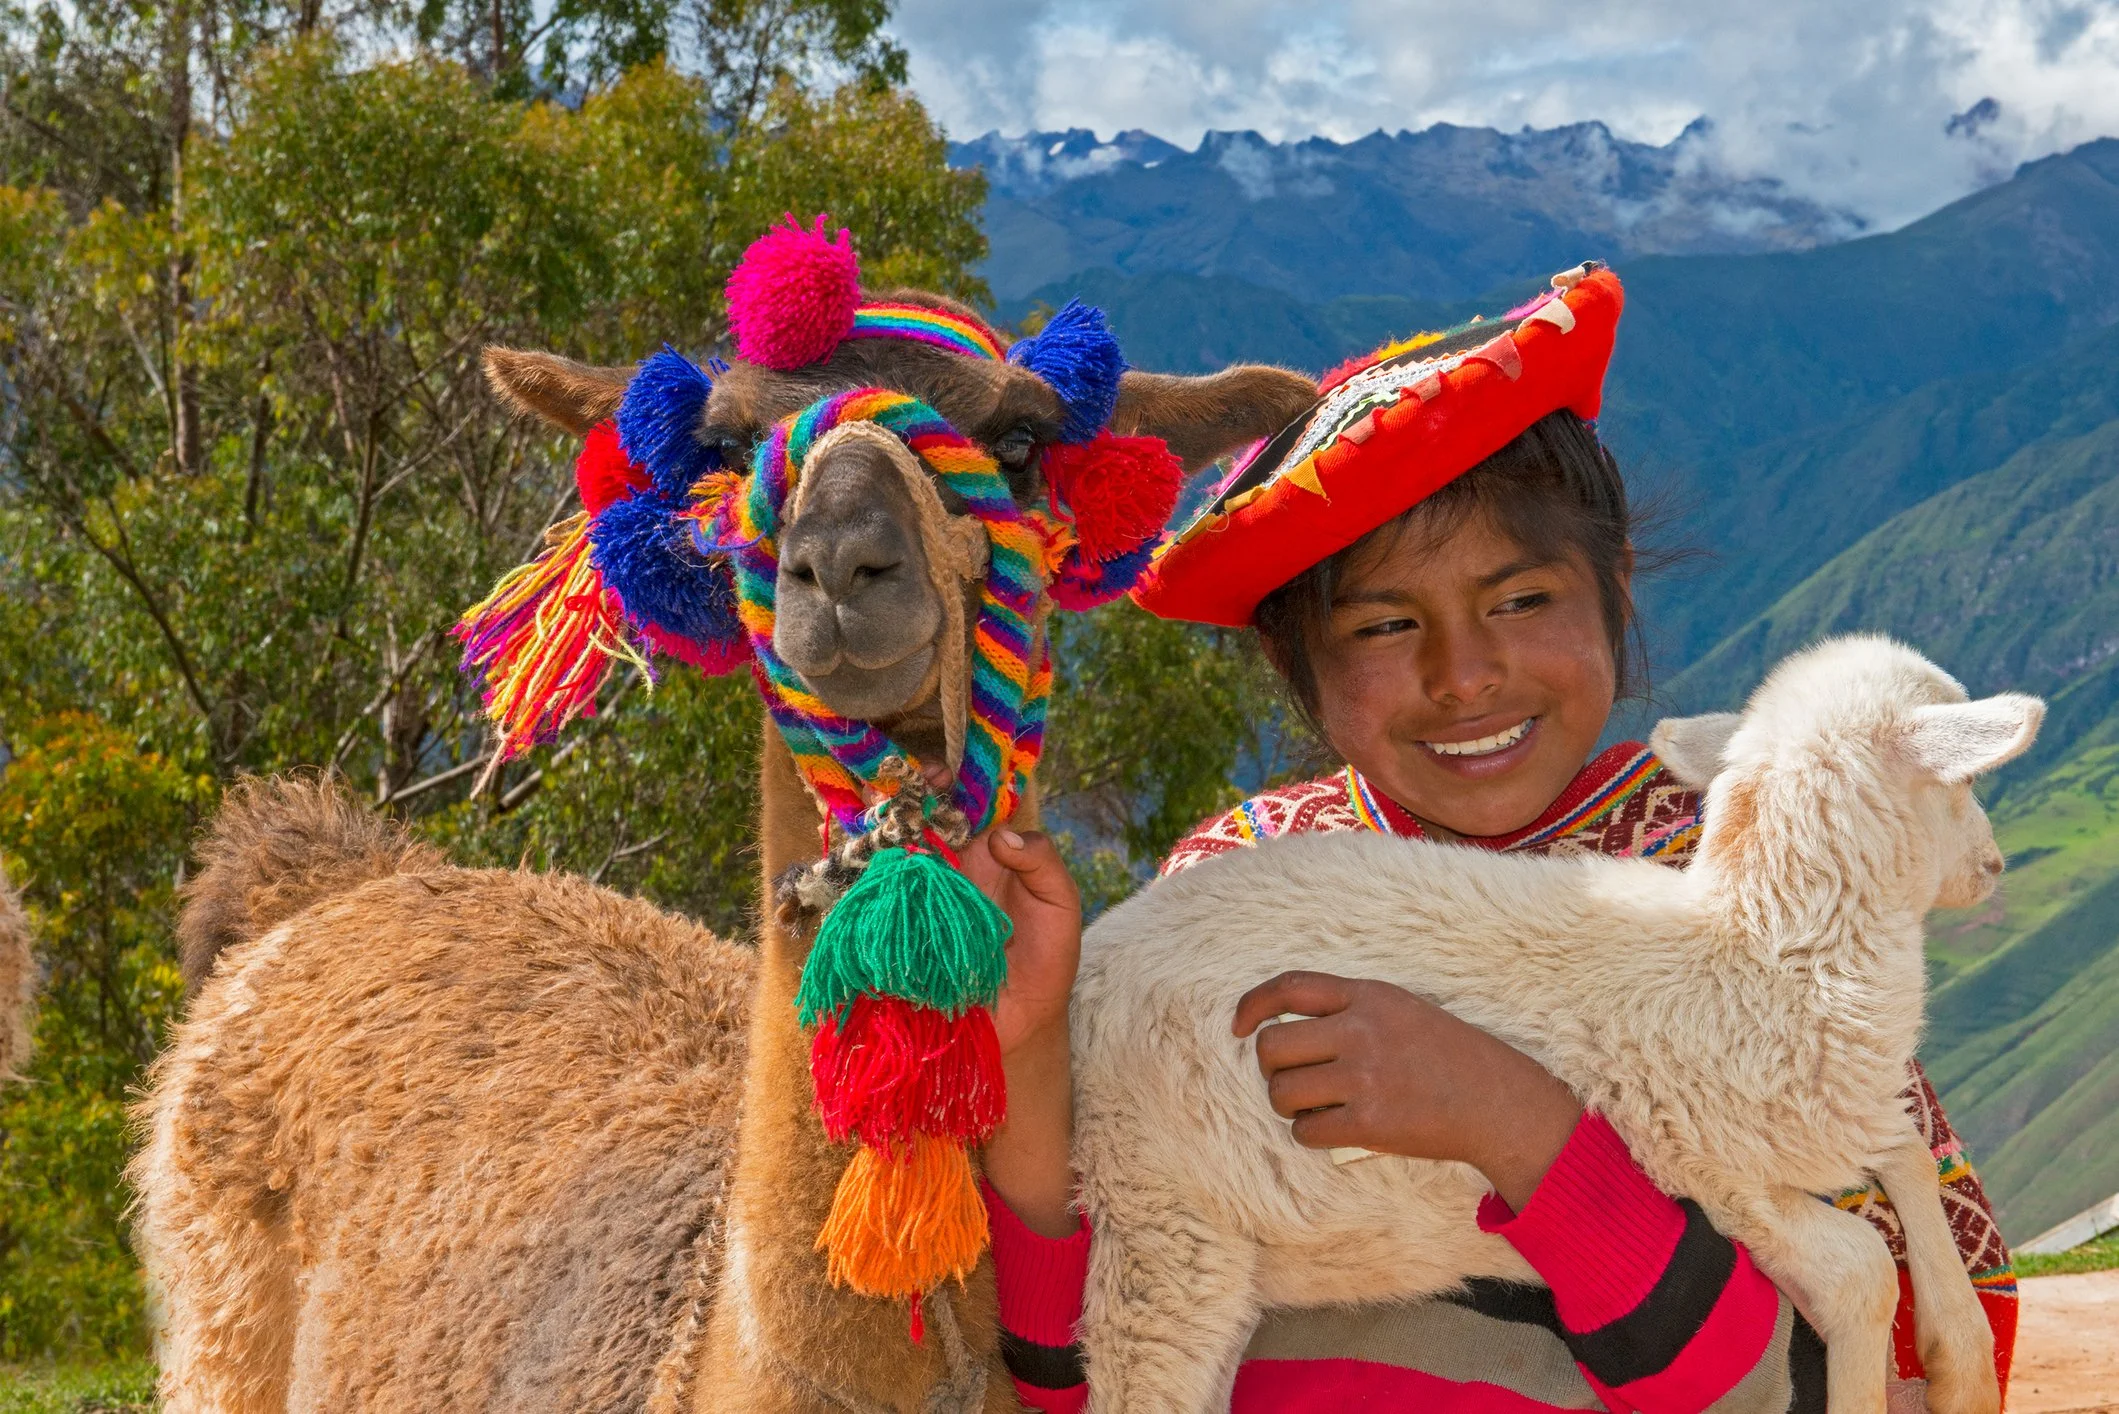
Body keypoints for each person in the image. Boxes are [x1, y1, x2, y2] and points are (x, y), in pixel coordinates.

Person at [958, 265, 2017, 1413]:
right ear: (1297, 663)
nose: (1462, 676)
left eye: (1520, 602)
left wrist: (1514, 1121)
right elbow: (1078, 1367)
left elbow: (1898, 1369)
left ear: (1611, 589)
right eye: (1383, 624)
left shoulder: (1759, 903)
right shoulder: (1232, 898)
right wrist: (1028, 1059)